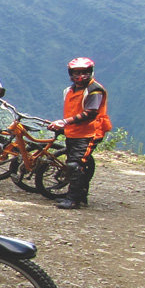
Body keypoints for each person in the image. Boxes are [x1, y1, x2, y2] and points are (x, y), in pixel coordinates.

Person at [48, 57, 109, 209]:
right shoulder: (70, 90)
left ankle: (73, 199)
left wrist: (65, 122)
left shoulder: (94, 90)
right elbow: (73, 111)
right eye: (76, 72)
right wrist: (64, 126)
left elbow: (90, 113)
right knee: (77, 163)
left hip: (89, 133)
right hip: (74, 132)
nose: (79, 76)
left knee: (75, 165)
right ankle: (80, 196)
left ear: (90, 72)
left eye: (83, 72)